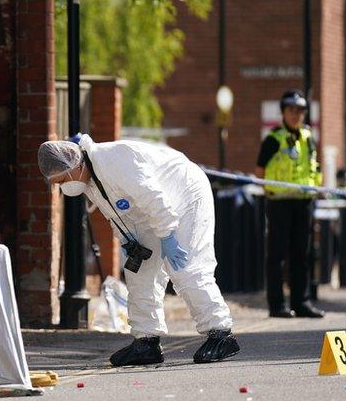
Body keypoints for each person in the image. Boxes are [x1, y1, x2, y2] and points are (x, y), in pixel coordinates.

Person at [37, 134, 239, 366]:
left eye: (62, 181)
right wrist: (128, 241)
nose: (64, 187)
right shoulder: (90, 181)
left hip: (185, 194)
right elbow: (117, 215)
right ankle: (147, 341)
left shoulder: (115, 160)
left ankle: (221, 333)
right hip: (151, 209)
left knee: (185, 267)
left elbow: (153, 198)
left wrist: (168, 236)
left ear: (75, 165)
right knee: (139, 272)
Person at [255, 89, 325, 319]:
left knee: (301, 255)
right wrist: (271, 192)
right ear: (283, 112)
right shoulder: (273, 138)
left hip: (303, 203)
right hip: (279, 203)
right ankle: (277, 305)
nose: (296, 115)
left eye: (300, 111)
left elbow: (314, 167)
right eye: (292, 110)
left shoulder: (308, 137)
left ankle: (301, 301)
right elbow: (260, 171)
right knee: (276, 255)